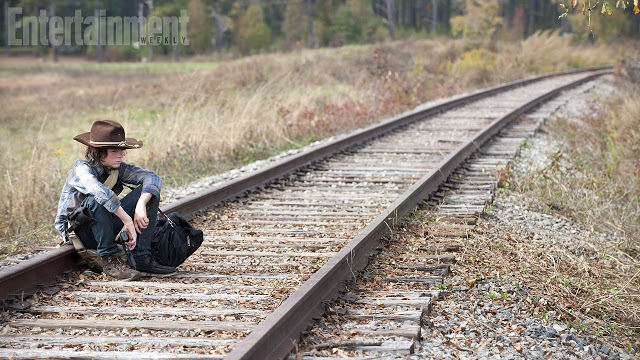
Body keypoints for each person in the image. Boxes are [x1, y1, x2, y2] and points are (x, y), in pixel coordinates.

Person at [54, 120, 175, 280]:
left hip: (103, 226)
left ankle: (141, 258)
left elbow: (152, 178)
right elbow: (100, 193)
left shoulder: (116, 168)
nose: (120, 155)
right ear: (98, 152)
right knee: (96, 200)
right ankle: (110, 260)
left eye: (122, 151)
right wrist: (127, 221)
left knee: (149, 193)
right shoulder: (81, 170)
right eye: (114, 151)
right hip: (81, 233)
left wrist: (141, 204)